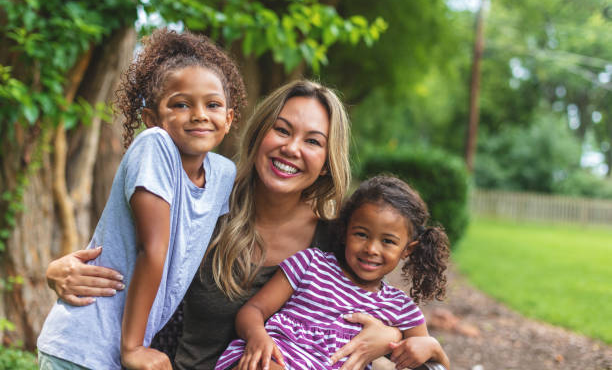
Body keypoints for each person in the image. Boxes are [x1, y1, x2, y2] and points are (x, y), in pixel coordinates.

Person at [45, 80, 447, 370]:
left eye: (313, 141)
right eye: (283, 129)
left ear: (327, 160)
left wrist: (392, 338)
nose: (291, 149)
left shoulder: (336, 238)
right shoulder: (209, 202)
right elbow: (136, 250)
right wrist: (57, 271)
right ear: (260, 131)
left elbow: (372, 305)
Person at [37, 28, 245, 370]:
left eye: (213, 105)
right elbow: (155, 248)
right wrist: (133, 348)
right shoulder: (155, 146)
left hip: (121, 351)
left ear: (229, 119)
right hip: (84, 343)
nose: (199, 114)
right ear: (151, 118)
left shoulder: (223, 174)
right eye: (180, 104)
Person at [214, 175, 450, 370]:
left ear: (407, 250)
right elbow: (253, 309)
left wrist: (433, 347)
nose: (371, 249)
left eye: (388, 241)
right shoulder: (311, 264)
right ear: (344, 230)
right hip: (274, 358)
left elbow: (436, 365)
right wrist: (257, 336)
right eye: (361, 234)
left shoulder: (398, 307)